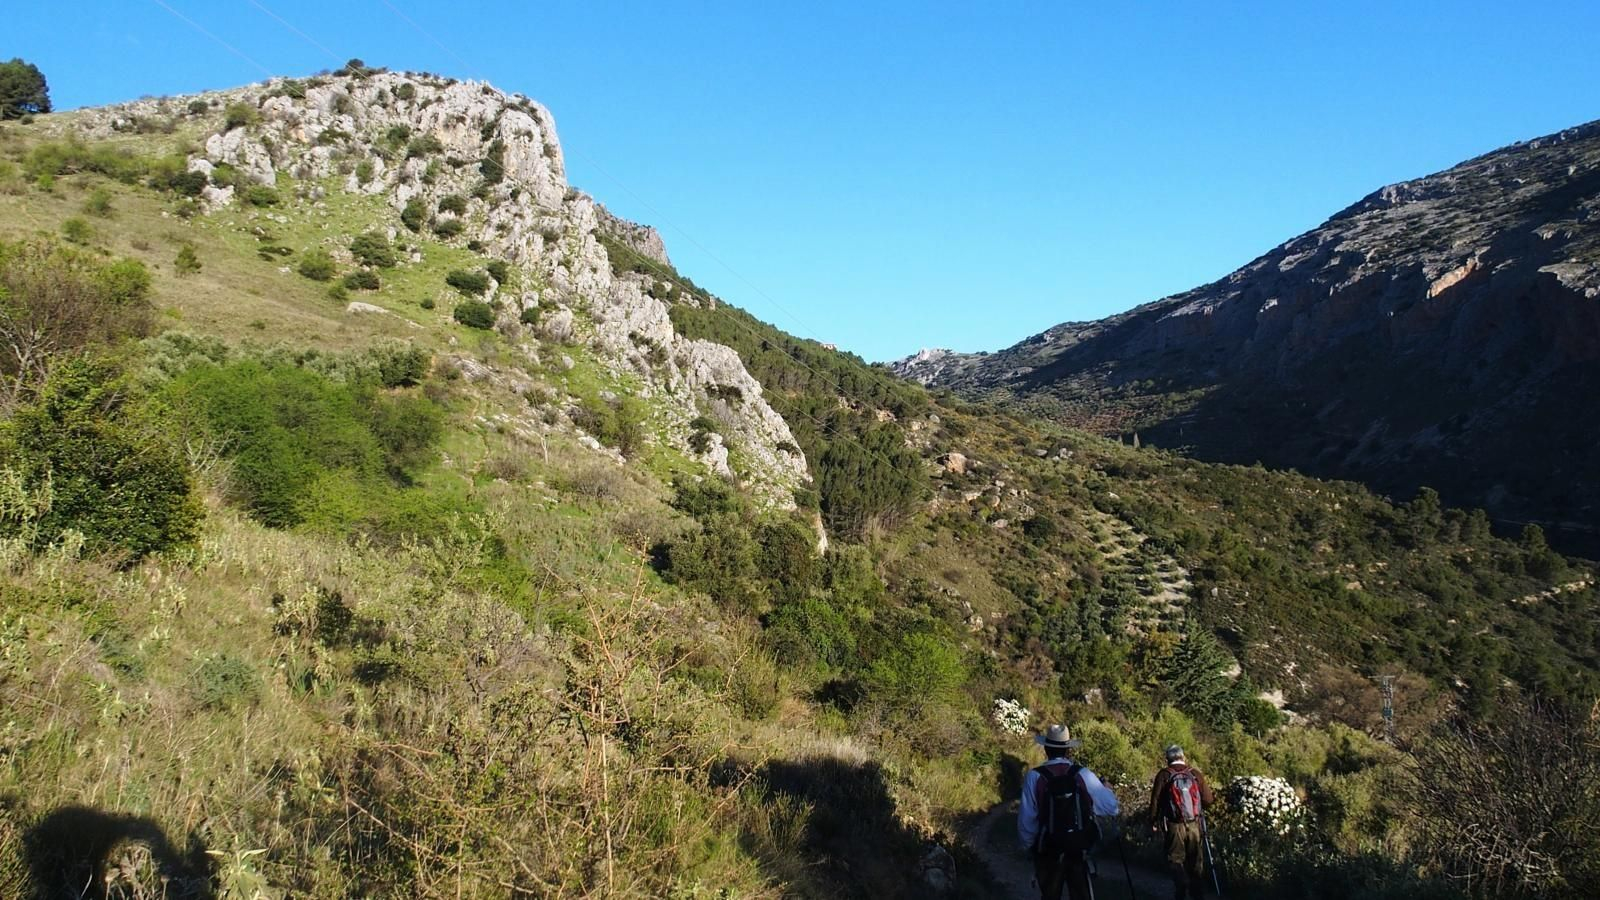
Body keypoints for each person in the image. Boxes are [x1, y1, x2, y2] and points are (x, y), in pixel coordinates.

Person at [1018, 724, 1121, 900]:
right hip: (1078, 847)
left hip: (1049, 849)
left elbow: (1027, 821)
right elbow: (1111, 807)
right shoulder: (1082, 774)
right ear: (1068, 750)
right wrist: (1106, 789)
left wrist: (1030, 848)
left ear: (1046, 748)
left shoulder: (1034, 777)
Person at [1148, 745, 1216, 899]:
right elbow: (1209, 800)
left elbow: (1156, 801)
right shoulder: (1194, 774)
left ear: (1167, 759)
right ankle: (1197, 894)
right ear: (1183, 757)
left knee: (1175, 859)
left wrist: (1153, 820)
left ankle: (1181, 887)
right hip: (1194, 824)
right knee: (1195, 862)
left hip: (1174, 825)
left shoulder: (1164, 775)